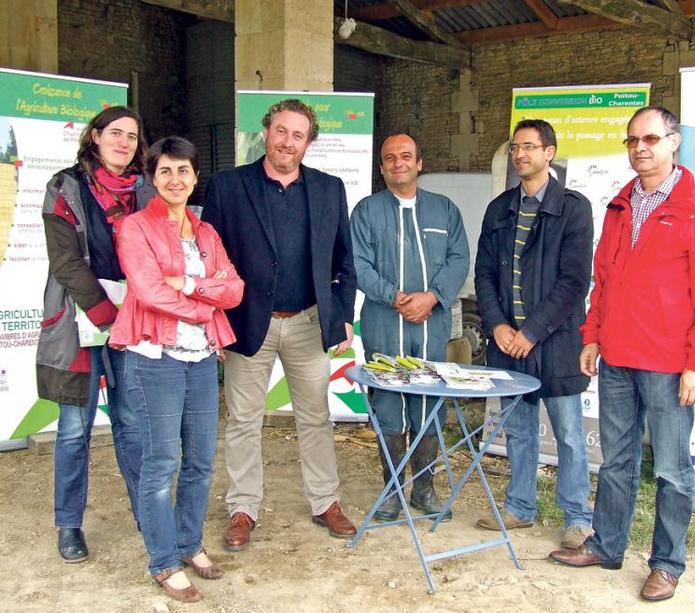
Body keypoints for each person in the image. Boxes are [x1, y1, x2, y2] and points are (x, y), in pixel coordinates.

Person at [550, 107, 695, 601]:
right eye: (633, 139)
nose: (640, 147)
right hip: (617, 358)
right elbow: (605, 281)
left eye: (651, 138)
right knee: (616, 461)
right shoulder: (620, 205)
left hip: (670, 365)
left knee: (672, 470)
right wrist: (592, 336)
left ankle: (667, 564)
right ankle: (607, 545)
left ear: (673, 143)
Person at [201, 98, 358, 549]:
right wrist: (214, 318)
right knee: (244, 420)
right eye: (281, 131)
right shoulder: (229, 186)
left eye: (298, 135)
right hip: (249, 322)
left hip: (309, 322)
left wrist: (342, 315)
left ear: (308, 143)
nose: (288, 142)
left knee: (315, 416)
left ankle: (325, 501)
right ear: (266, 132)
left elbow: (344, 259)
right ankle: (243, 508)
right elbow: (211, 258)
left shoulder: (329, 189)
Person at [109, 136, 244, 603]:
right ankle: (163, 560)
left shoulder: (205, 232)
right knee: (162, 461)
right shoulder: (135, 228)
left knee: (202, 460)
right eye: (165, 171)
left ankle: (190, 545)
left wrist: (189, 283)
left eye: (183, 171)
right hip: (155, 357)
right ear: (152, 177)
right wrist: (206, 305)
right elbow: (148, 291)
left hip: (202, 358)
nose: (175, 180)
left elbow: (236, 290)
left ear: (194, 176)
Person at [36, 106, 150, 563]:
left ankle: (149, 513)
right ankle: (69, 525)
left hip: (134, 325)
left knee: (134, 423)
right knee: (73, 430)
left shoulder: (145, 190)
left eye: (132, 136)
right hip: (79, 323)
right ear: (96, 137)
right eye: (115, 133)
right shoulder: (64, 187)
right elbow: (65, 262)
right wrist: (108, 316)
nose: (123, 142)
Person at [473, 119, 594, 549]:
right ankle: (520, 507)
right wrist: (499, 325)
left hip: (556, 344)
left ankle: (578, 517)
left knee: (568, 435)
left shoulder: (574, 208)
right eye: (515, 147)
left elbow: (574, 281)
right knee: (519, 430)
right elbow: (484, 273)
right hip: (508, 345)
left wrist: (533, 331)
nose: (520, 154)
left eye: (529, 146)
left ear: (549, 153)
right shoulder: (499, 209)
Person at [350, 133, 469, 521]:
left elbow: (458, 258)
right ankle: (391, 489)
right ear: (382, 167)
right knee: (387, 404)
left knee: (428, 404)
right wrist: (396, 297)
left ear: (419, 163)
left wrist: (432, 297)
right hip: (385, 322)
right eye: (390, 158)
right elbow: (359, 264)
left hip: (431, 326)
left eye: (406, 156)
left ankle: (425, 488)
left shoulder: (444, 210)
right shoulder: (367, 212)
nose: (398, 162)